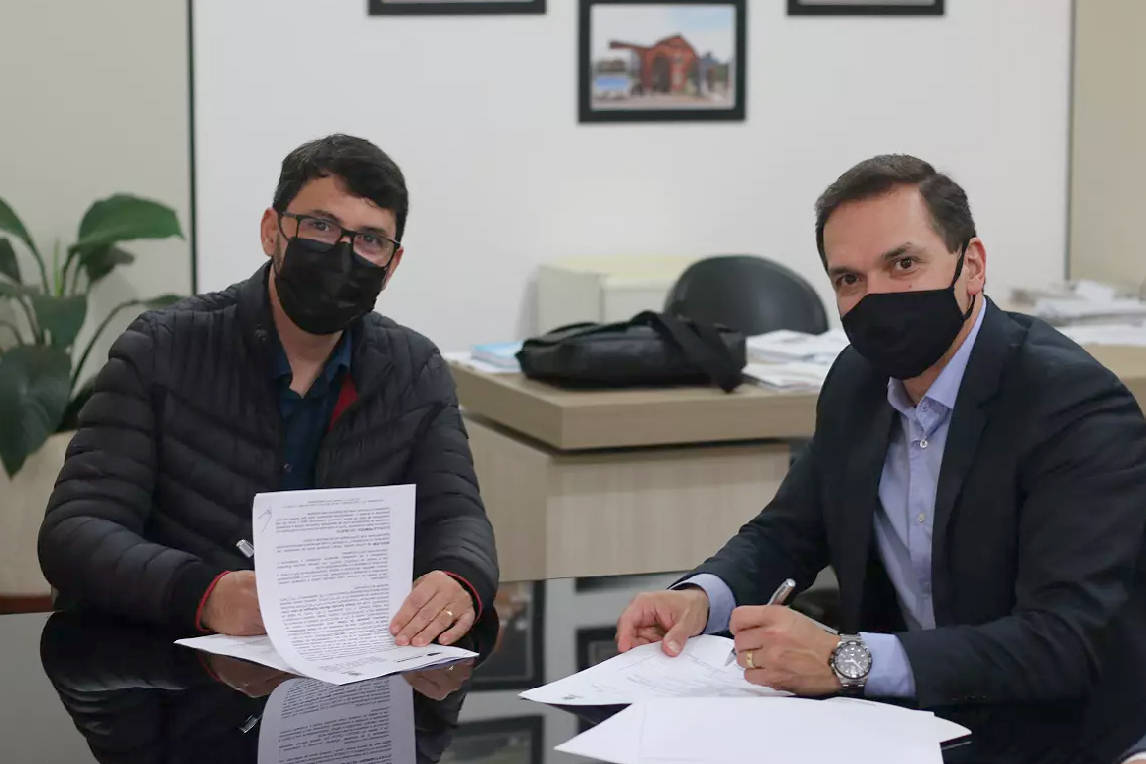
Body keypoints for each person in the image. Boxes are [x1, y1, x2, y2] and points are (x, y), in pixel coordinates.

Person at [615, 155, 1146, 709]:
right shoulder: (858, 380)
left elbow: (1063, 641)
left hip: (1051, 725)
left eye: (904, 264)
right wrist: (701, 599)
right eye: (850, 279)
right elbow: (789, 533)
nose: (879, 298)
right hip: (902, 721)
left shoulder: (1070, 405)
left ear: (972, 266)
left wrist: (844, 659)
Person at [38, 134, 498, 650]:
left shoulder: (414, 369)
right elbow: (76, 532)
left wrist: (458, 579)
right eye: (320, 226)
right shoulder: (162, 349)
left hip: (347, 666)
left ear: (391, 265)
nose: (342, 254)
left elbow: (457, 517)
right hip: (167, 664)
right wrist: (203, 595)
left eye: (370, 240)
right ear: (271, 230)